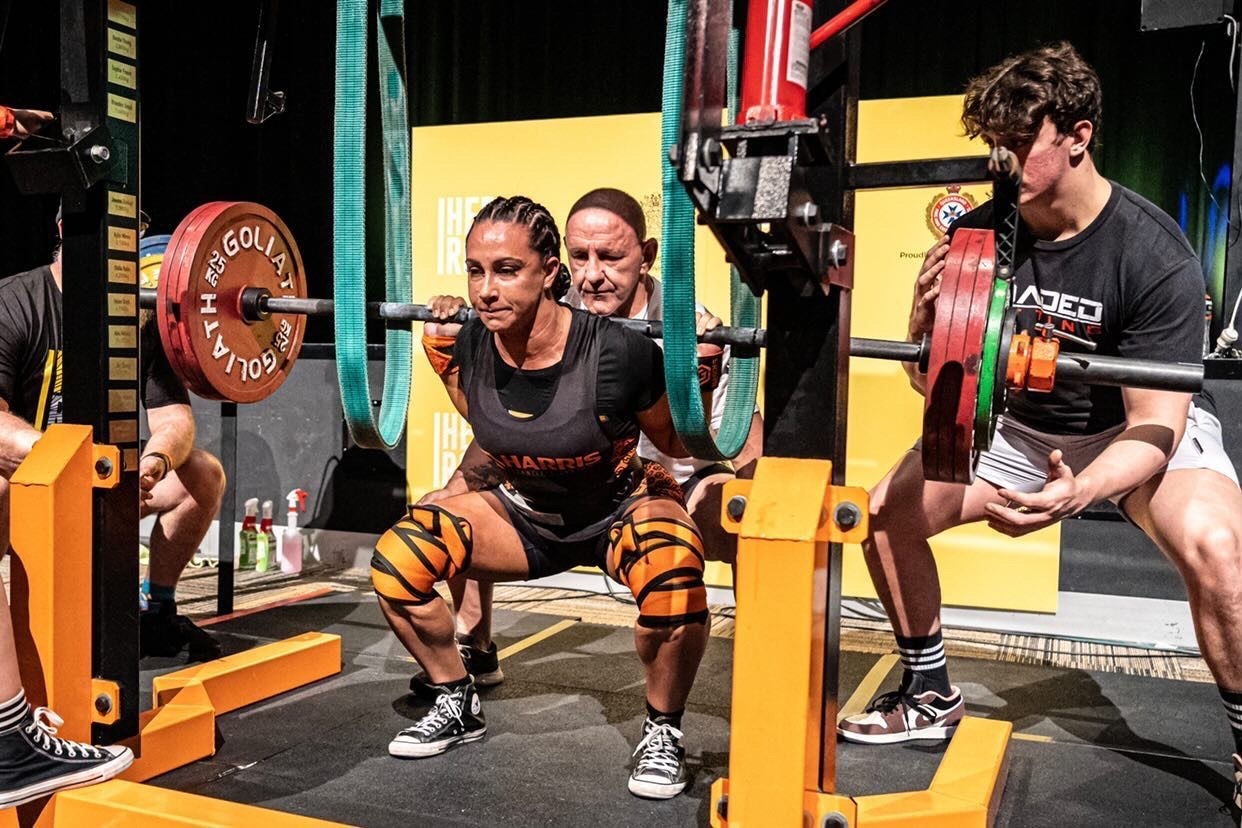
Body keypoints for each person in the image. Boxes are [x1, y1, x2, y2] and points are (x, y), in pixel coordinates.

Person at [834, 42, 1242, 815]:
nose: (1001, 158)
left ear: (1078, 135)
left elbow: (1155, 424)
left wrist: (1079, 491)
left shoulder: (1153, 255)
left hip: (1134, 433)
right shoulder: (983, 234)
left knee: (1220, 548)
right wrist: (923, 327)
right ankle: (928, 694)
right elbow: (937, 385)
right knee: (885, 513)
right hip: (1019, 432)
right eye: (992, 141)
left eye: (1020, 142)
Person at [371, 195, 716, 799]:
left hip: (616, 508)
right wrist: (442, 349)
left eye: (506, 270)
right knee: (402, 555)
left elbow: (674, 441)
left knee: (674, 574)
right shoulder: (472, 344)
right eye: (475, 270)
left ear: (549, 274)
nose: (485, 289)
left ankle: (662, 729)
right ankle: (457, 696)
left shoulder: (619, 352)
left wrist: (699, 370)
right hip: (526, 519)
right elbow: (489, 427)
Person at [417, 187, 763, 694]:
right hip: (570, 470)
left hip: (671, 476)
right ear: (559, 264)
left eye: (611, 257)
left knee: (751, 525)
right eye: (581, 257)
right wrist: (446, 316)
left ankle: (761, 657)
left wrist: (765, 500)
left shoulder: (691, 324)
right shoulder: (548, 308)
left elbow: (735, 431)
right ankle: (476, 645)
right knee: (447, 501)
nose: (593, 273)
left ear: (645, 257)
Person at [0, 206, 227, 665]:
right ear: (66, 230)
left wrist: (155, 461)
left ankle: (156, 610)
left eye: (131, 233)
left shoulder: (137, 313)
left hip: (105, 479)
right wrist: (70, 465)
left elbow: (174, 419)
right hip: (29, 479)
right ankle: (11, 647)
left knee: (201, 473)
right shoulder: (14, 301)